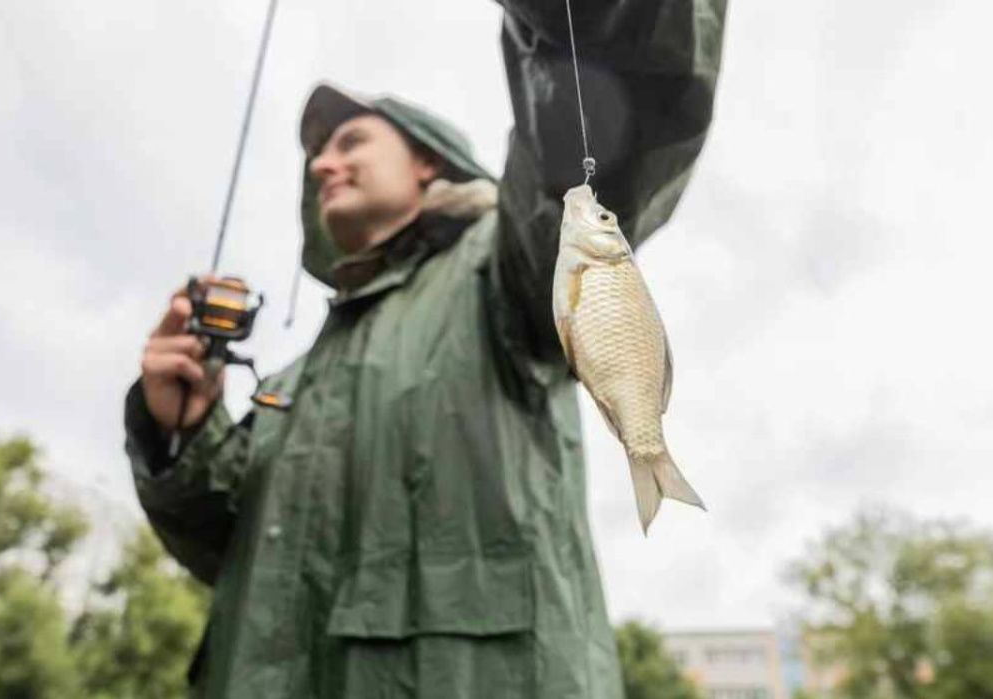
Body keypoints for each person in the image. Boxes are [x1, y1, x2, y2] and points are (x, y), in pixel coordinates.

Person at [125, 1, 725, 696]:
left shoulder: (505, 268)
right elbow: (228, 547)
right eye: (318, 154)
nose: (323, 165)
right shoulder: (294, 379)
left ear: (426, 164)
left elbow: (610, 92)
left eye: (350, 142)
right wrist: (182, 432)